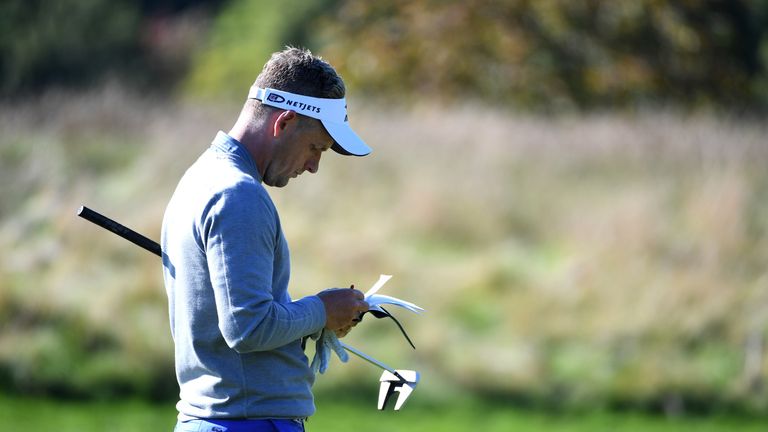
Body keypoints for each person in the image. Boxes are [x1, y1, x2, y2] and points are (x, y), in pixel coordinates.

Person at [161, 47, 371, 432]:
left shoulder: (203, 176)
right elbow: (248, 326)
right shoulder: (237, 194)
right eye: (315, 148)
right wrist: (322, 310)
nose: (313, 166)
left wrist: (313, 318)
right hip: (246, 423)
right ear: (285, 122)